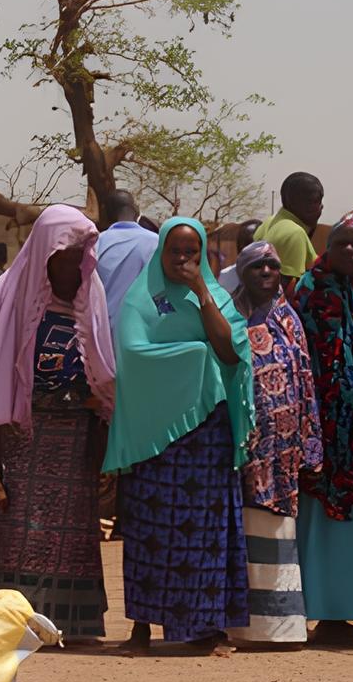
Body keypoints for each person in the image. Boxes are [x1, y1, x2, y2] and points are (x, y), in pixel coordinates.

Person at [106, 216, 249, 653]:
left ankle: (205, 628)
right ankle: (141, 627)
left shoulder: (217, 297)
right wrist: (196, 357)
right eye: (175, 251)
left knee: (206, 531)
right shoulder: (141, 298)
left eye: (192, 252)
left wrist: (202, 293)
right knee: (151, 529)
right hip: (155, 435)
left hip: (207, 437)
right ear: (161, 252)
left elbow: (229, 352)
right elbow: (134, 353)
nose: (183, 259)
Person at [0, 203, 112, 637]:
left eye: (78, 258)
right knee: (22, 530)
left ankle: (73, 623)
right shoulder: (11, 299)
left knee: (73, 534)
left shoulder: (93, 297)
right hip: (24, 435)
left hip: (76, 436)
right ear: (43, 257)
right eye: (63, 259)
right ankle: (20, 622)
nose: (72, 269)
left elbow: (104, 367)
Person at [291, 217, 353, 635]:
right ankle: (317, 609)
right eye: (341, 243)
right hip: (320, 421)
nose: (349, 250)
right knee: (317, 513)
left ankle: (345, 613)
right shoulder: (309, 289)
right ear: (327, 246)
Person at [230, 241, 323, 647]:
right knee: (244, 527)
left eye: (271, 265)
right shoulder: (229, 315)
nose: (266, 272)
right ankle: (243, 627)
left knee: (278, 529)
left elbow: (305, 378)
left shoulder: (289, 320)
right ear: (242, 272)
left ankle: (281, 627)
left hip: (282, 447)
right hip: (241, 442)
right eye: (257, 266)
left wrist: (309, 439)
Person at [259, 171, 322, 285]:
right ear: (295, 203)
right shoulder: (295, 233)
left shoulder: (269, 223)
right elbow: (291, 286)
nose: (321, 206)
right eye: (316, 201)